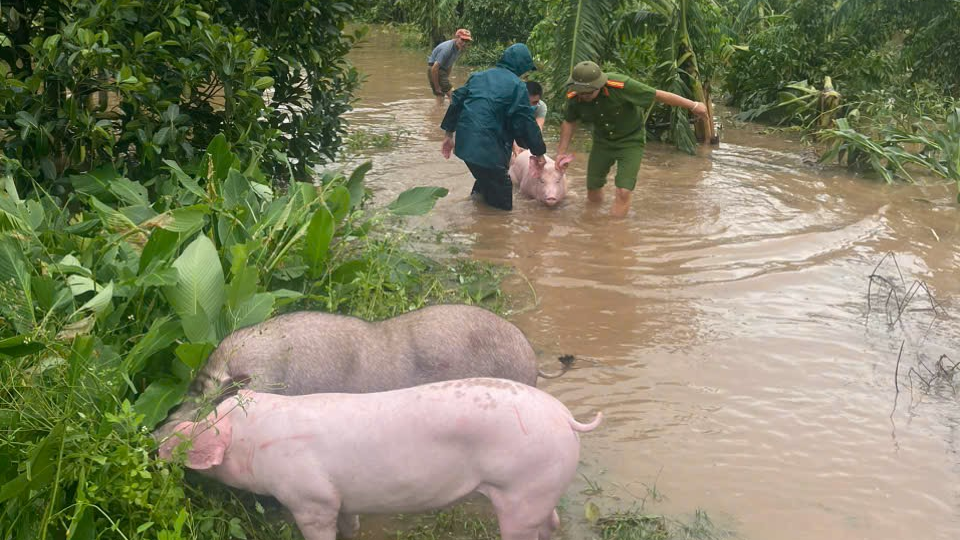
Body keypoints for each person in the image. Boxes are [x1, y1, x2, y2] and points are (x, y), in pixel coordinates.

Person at [555, 60, 708, 217]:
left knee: (623, 191)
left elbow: (657, 95)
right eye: (581, 93)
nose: (585, 96)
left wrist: (693, 105)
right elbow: (569, 122)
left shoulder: (620, 85)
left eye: (589, 93)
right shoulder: (575, 97)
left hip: (630, 141)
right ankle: (594, 224)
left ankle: (615, 232)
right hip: (602, 142)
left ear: (599, 85)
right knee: (593, 187)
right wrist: (561, 152)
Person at [440, 43, 547, 211]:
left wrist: (448, 134)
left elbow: (457, 101)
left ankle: (473, 210)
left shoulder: (478, 76)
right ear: (520, 66)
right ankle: (493, 234)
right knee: (502, 198)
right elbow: (525, 122)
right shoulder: (517, 86)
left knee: (486, 180)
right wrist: (539, 152)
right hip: (488, 150)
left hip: (465, 145)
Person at [427, 29, 472, 105]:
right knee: (455, 97)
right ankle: (455, 115)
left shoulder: (458, 48)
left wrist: (446, 78)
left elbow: (450, 64)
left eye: (466, 41)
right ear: (456, 37)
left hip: (440, 70)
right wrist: (437, 86)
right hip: (436, 70)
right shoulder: (447, 48)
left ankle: (437, 114)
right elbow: (434, 68)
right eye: (462, 39)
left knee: (440, 96)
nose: (464, 43)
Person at [513, 80, 547, 156]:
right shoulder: (512, 105)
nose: (530, 106)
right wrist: (515, 146)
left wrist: (536, 150)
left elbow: (538, 129)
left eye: (534, 102)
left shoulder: (541, 107)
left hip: (528, 130)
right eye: (527, 102)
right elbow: (505, 129)